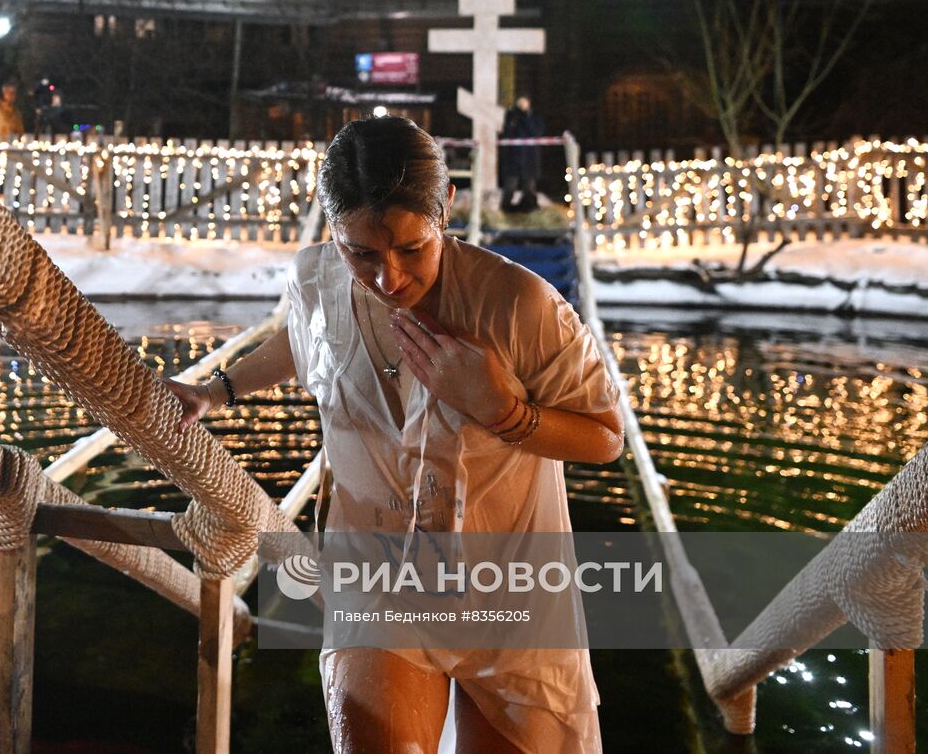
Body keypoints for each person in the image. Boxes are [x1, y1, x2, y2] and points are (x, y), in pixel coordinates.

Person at [166, 116, 624, 753]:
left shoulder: (521, 306)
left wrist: (502, 411)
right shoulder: (317, 283)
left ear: (445, 210)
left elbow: (605, 437)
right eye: (361, 252)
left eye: (412, 249)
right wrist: (216, 392)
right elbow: (302, 344)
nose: (387, 279)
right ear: (333, 228)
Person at [501, 95, 546, 213]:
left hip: (530, 157)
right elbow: (507, 132)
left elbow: (537, 132)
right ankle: (506, 210)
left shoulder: (535, 117)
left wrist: (526, 117)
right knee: (510, 186)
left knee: (529, 187)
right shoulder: (512, 116)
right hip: (514, 158)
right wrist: (514, 118)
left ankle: (529, 210)